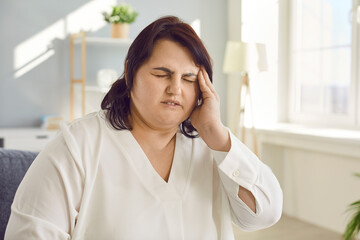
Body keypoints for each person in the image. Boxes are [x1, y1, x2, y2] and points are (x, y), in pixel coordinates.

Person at [5, 16, 283, 240]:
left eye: (188, 78)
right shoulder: (78, 145)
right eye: (162, 74)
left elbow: (264, 214)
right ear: (130, 72)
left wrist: (218, 135)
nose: (175, 88)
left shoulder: (210, 147)